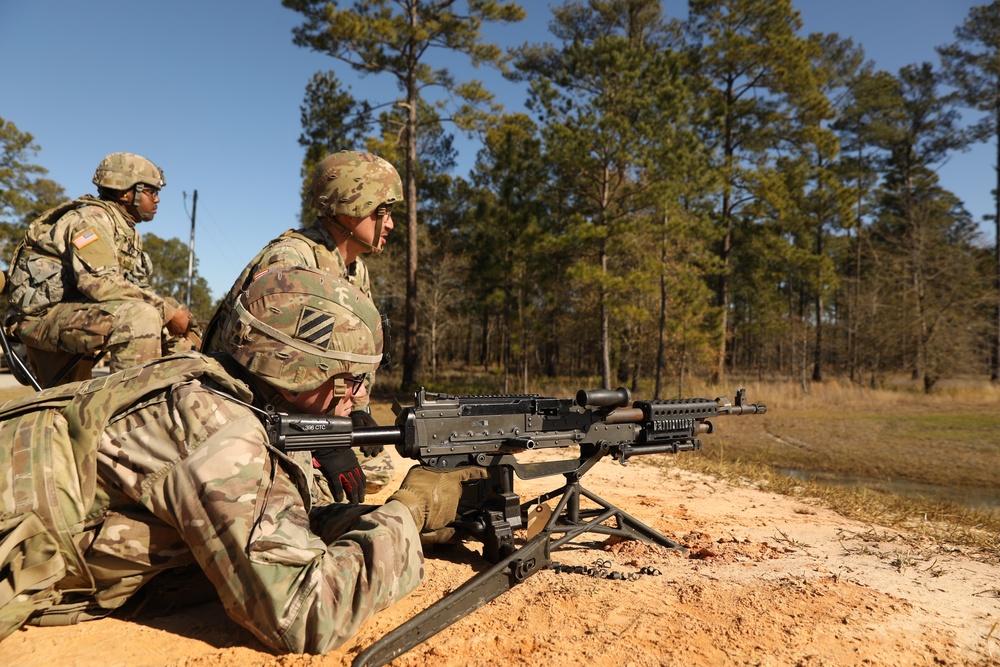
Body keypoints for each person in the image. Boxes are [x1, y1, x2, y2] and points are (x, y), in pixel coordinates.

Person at [0, 266, 486, 653]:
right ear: (299, 368)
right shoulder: (219, 430)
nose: (357, 398)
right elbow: (305, 615)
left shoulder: (213, 384)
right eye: (350, 380)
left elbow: (263, 519)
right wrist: (407, 513)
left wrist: (363, 522)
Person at [201, 150, 401, 498]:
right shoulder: (292, 259)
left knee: (377, 468)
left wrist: (355, 409)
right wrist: (323, 442)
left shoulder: (353, 269)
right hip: (244, 405)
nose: (390, 224)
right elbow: (272, 368)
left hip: (305, 406)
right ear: (350, 208)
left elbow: (345, 357)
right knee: (315, 496)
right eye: (381, 212)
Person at [5, 152, 195, 387]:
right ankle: (128, 414)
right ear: (126, 192)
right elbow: (98, 283)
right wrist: (165, 312)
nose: (157, 200)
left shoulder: (127, 232)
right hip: (38, 318)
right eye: (151, 192)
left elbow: (137, 288)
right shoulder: (91, 221)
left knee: (177, 318)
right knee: (141, 317)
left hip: (75, 315)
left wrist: (172, 316)